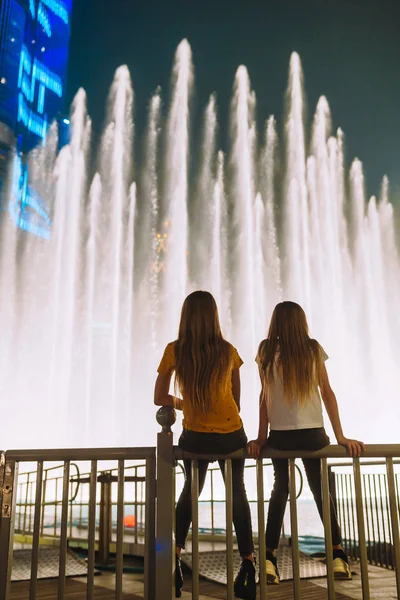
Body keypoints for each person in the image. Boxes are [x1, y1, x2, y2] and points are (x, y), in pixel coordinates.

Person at [247, 301, 365, 585]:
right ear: (301, 322)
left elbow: (264, 398)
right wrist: (340, 437)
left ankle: (269, 560)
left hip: (280, 436)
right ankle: (338, 555)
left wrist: (262, 438)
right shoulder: (312, 348)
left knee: (281, 490)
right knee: (321, 491)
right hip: (313, 435)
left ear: (275, 322)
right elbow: (327, 393)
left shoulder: (265, 350)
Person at [154, 291, 256, 600]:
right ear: (214, 316)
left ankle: (173, 556)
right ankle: (249, 564)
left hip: (195, 436)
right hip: (230, 435)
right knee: (236, 490)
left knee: (190, 489)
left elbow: (159, 398)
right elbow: (236, 401)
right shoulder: (228, 352)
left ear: (185, 317)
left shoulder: (175, 350)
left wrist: (188, 405)